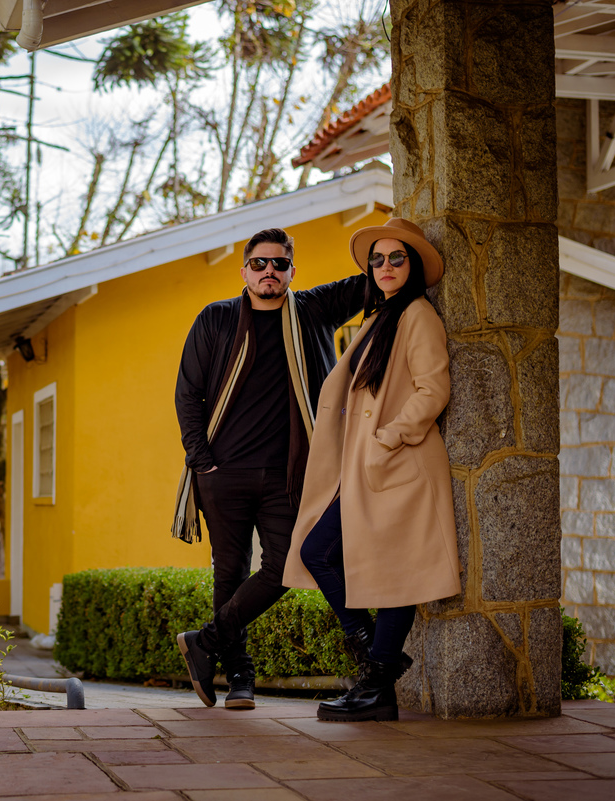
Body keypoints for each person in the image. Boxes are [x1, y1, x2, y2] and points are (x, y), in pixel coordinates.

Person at [173, 227, 367, 710]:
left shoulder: (314, 311)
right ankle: (240, 678)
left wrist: (401, 241)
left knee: (286, 566)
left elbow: (377, 279)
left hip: (289, 477)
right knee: (230, 573)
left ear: (292, 272)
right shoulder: (216, 320)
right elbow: (187, 394)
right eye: (259, 264)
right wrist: (203, 462)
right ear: (244, 271)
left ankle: (206, 642)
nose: (269, 273)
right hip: (224, 473)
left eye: (279, 264)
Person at [282, 218, 460, 722]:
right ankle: (373, 662)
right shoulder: (380, 318)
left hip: (398, 463)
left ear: (414, 265)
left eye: (396, 258)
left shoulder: (418, 314)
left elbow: (433, 389)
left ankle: (376, 685)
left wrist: (389, 437)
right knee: (318, 549)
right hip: (367, 468)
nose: (385, 267)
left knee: (397, 573)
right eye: (377, 260)